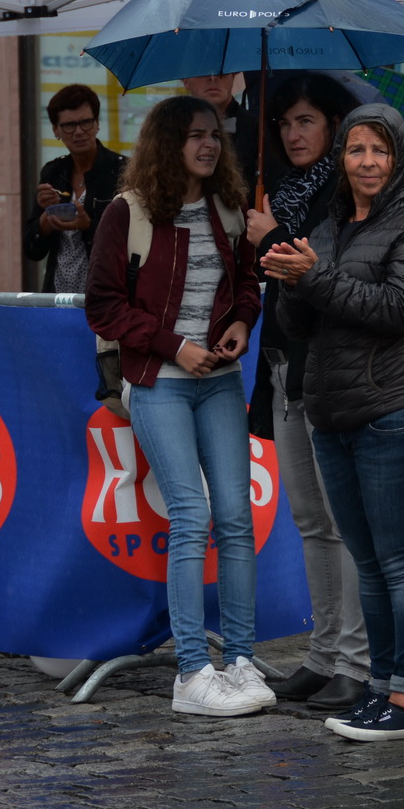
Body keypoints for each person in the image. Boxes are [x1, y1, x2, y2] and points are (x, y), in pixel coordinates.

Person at [266, 102, 404, 742]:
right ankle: (381, 689)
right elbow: (299, 328)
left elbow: (397, 307)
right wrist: (291, 283)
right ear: (341, 158)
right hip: (334, 413)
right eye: (356, 150)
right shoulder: (328, 227)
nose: (368, 162)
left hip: (397, 409)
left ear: (398, 158)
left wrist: (314, 277)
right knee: (368, 564)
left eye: (380, 150)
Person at [85, 94, 268, 718]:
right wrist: (175, 346)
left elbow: (247, 283)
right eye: (195, 135)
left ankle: (239, 661)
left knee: (236, 516)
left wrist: (242, 321)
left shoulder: (229, 207)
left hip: (220, 377)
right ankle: (191, 672)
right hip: (156, 378)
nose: (209, 144)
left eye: (214, 134)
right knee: (191, 515)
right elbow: (103, 306)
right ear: (168, 143)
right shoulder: (127, 212)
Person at [241, 73, 371, 714]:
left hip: (327, 373)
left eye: (306, 122)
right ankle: (323, 657)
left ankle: (355, 662)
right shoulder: (279, 193)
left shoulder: (340, 197)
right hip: (281, 368)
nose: (293, 134)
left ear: (333, 128)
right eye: (285, 123)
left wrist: (268, 239)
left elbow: (319, 279)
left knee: (345, 523)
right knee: (311, 522)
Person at [26, 84, 126, 293]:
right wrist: (44, 221)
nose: (79, 132)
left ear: (97, 124)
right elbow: (32, 250)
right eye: (69, 125)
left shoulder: (122, 171)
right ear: (56, 130)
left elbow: (133, 241)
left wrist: (88, 226)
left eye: (86, 122)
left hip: (106, 294)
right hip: (57, 296)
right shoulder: (52, 172)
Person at [183, 72, 268, 199]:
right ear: (185, 80)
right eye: (203, 71)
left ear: (233, 76)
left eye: (221, 71)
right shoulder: (171, 128)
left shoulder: (259, 129)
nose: (213, 77)